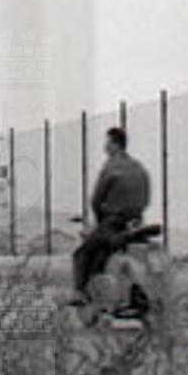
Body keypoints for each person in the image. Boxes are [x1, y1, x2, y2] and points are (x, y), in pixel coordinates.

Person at [71, 127, 151, 300]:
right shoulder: (140, 167)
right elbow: (146, 199)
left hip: (114, 223)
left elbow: (96, 201)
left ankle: (79, 293)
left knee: (81, 253)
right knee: (102, 250)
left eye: (107, 142)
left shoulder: (110, 167)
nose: (105, 147)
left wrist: (100, 221)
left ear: (115, 144)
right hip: (136, 223)